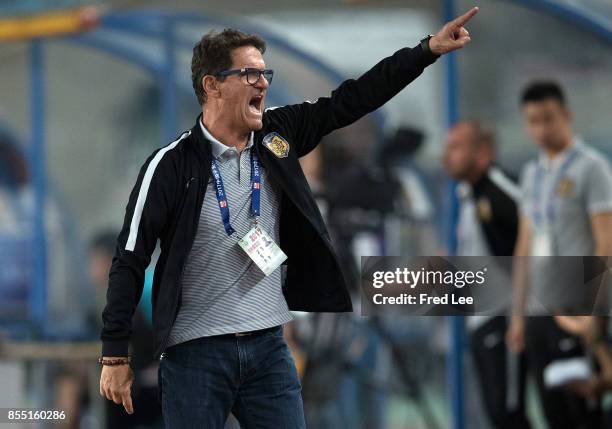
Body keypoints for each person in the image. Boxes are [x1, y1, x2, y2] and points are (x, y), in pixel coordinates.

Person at [99, 7, 479, 428]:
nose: (262, 82)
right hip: (196, 353)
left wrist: (426, 51)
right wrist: (115, 353)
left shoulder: (277, 136)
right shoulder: (170, 165)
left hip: (269, 349)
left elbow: (351, 100)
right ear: (212, 86)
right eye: (248, 74)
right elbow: (130, 257)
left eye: (265, 74)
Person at [506, 81, 612, 428]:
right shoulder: (531, 173)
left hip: (576, 311)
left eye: (548, 119)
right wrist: (518, 315)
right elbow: (524, 246)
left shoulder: (591, 167)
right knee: (553, 414)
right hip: (540, 313)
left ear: (566, 116)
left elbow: (605, 242)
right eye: (533, 121)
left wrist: (594, 311)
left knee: (583, 414)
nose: (541, 129)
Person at [443, 121, 531, 429]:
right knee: (497, 414)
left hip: (506, 315)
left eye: (456, 147)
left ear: (481, 153)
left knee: (508, 412)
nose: (446, 155)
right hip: (480, 318)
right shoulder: (468, 195)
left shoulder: (498, 187)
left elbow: (536, 229)